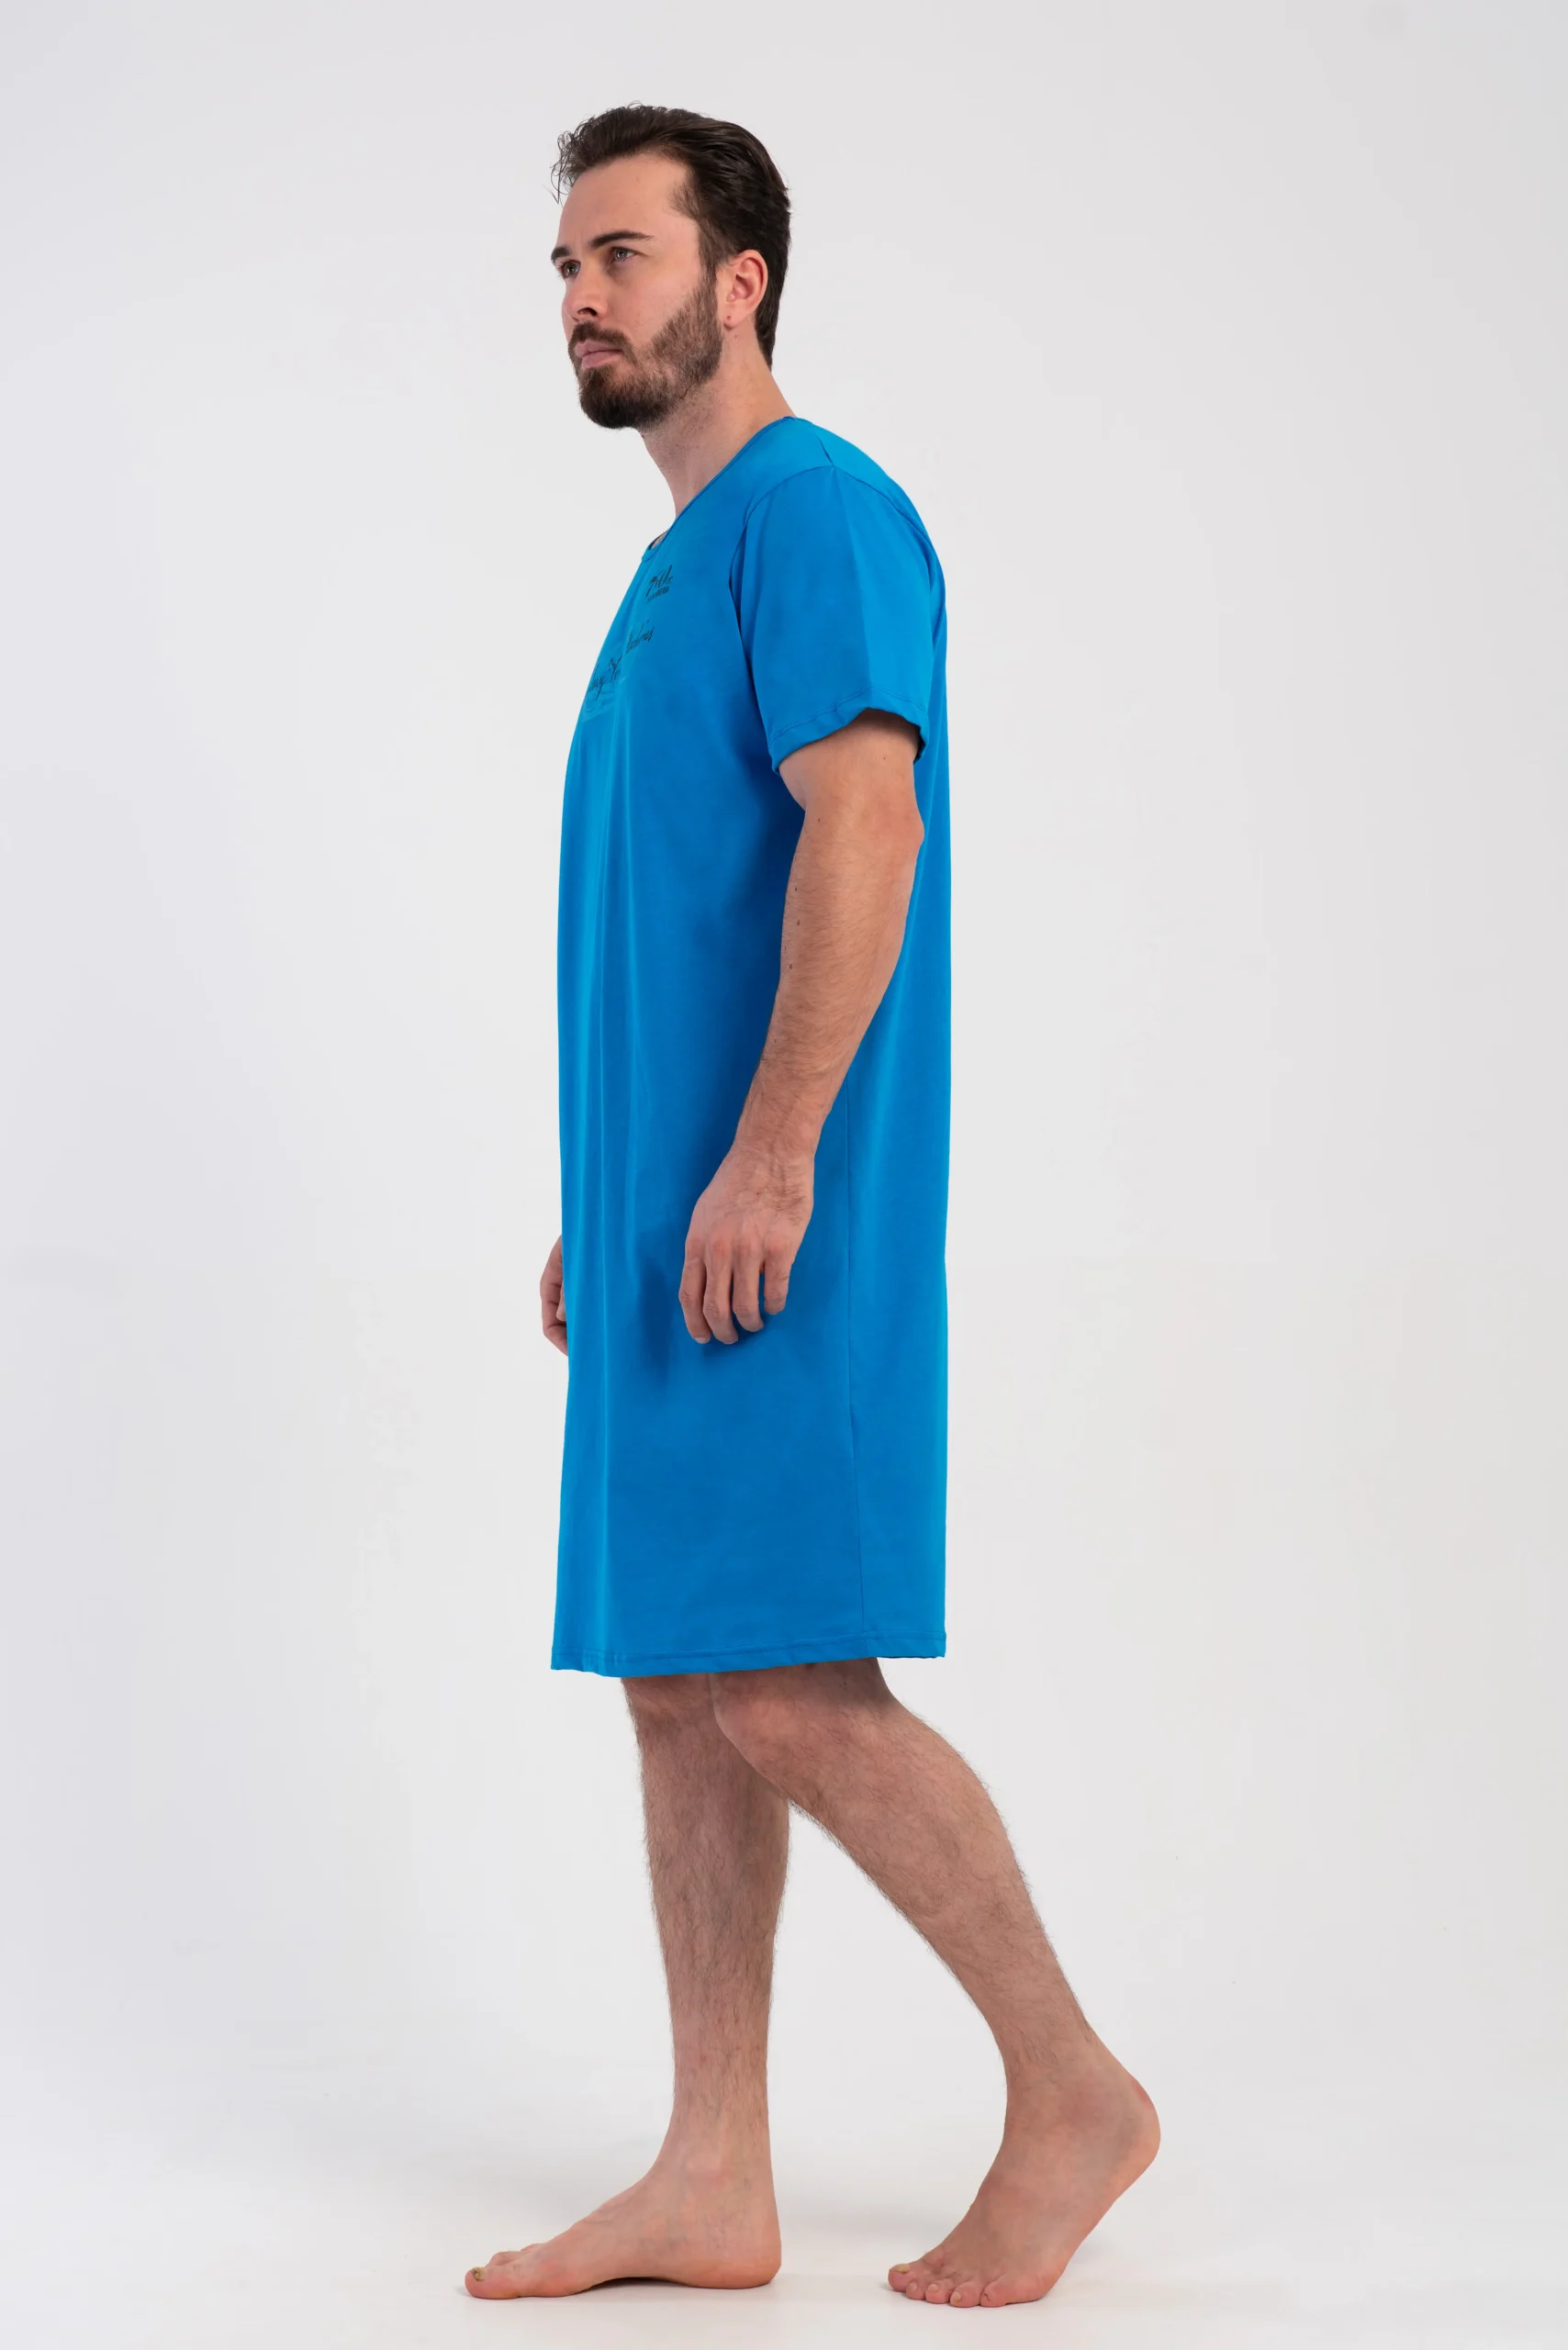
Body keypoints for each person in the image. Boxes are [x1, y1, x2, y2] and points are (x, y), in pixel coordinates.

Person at [465, 105, 1159, 2312]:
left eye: (620, 253)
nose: (581, 296)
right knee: (678, 1683)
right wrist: (612, 1195)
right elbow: (686, 909)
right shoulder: (674, 567)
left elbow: (868, 827)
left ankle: (1070, 2088)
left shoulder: (815, 508)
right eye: (563, 266)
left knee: (778, 1678)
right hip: (673, 1232)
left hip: (781, 1218)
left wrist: (768, 1153)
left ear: (738, 275)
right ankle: (710, 2169)